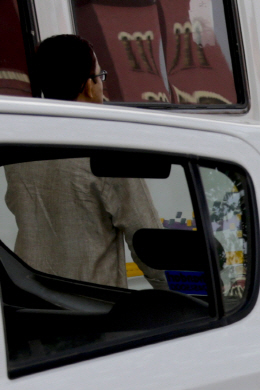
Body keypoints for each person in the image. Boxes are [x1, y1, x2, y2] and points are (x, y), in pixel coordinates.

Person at [4, 35, 164, 289]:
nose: (102, 85)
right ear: (88, 86)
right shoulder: (107, 148)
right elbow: (147, 240)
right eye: (101, 76)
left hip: (29, 302)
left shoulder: (22, 147)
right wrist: (182, 299)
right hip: (91, 307)